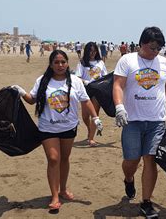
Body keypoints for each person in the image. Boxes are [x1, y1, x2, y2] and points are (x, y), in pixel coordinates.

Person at [11, 50, 104, 211]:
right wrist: (20, 91)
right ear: (51, 64)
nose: (60, 65)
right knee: (54, 159)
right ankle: (54, 196)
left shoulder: (75, 81)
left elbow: (86, 100)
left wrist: (95, 118)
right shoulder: (43, 80)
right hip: (48, 127)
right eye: (56, 62)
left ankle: (63, 189)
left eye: (63, 62)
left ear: (67, 63)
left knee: (65, 158)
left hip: (69, 127)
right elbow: (32, 100)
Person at [113, 26, 166, 218]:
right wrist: (119, 106)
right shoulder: (127, 60)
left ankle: (146, 202)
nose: (156, 52)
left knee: (150, 159)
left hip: (156, 121)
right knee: (132, 161)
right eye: (152, 47)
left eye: (159, 48)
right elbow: (118, 85)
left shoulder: (163, 61)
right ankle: (129, 178)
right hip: (133, 120)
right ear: (142, 44)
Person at [75, 42, 108, 147]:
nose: (92, 53)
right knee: (85, 116)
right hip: (85, 91)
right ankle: (90, 129)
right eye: (90, 51)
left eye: (94, 51)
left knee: (94, 114)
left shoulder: (100, 62)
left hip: (97, 91)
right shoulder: (82, 63)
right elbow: (77, 77)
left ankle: (91, 138)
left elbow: (105, 76)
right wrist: (85, 82)